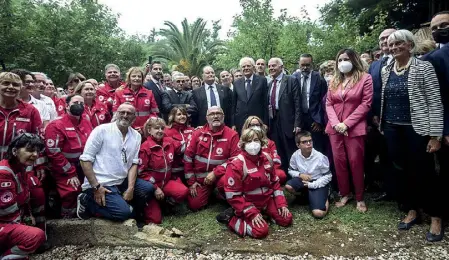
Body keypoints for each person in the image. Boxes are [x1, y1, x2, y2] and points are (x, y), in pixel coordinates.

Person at [382, 30, 444, 242]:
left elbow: (435, 102)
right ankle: (412, 211)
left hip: (417, 129)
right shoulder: (386, 69)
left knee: (425, 172)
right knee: (401, 171)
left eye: (399, 43)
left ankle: (436, 217)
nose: (394, 47)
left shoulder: (424, 67)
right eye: (391, 44)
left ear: (409, 45)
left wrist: (435, 135)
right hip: (392, 127)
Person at [77, 103, 154, 221]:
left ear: (134, 117)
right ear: (116, 114)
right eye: (122, 112)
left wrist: (131, 188)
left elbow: (134, 163)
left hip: (121, 180)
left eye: (129, 113)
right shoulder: (102, 130)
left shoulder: (136, 136)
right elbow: (85, 160)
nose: (125, 115)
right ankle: (86, 200)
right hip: (102, 182)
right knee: (122, 213)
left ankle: (131, 212)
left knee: (147, 189)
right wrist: (96, 187)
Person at [218, 128, 292, 238]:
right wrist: (251, 212)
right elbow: (233, 195)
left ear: (261, 142)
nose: (253, 144)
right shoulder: (237, 164)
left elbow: (275, 183)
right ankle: (231, 218)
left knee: (286, 219)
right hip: (248, 203)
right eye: (249, 141)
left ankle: (266, 214)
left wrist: (281, 204)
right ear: (243, 144)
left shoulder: (267, 158)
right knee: (261, 231)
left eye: (256, 140)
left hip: (267, 200)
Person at [326, 48, 373, 213]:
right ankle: (345, 194)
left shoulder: (365, 79)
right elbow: (329, 103)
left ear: (354, 60)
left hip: (354, 127)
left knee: (355, 162)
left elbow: (366, 103)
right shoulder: (334, 80)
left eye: (345, 59)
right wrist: (336, 123)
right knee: (339, 162)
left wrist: (346, 124)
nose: (342, 63)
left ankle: (359, 197)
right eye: (339, 60)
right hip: (335, 128)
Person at [0, 72, 46, 236]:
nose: (10, 87)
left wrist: (39, 163)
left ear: (21, 88)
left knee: (37, 193)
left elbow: (40, 139)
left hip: (22, 165)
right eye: (6, 83)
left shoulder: (30, 111)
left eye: (15, 85)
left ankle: (39, 231)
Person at [44, 94, 93, 218]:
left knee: (89, 190)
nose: (79, 106)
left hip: (83, 166)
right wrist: (70, 173)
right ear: (66, 106)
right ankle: (67, 220)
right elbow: (53, 153)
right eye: (76, 103)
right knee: (72, 190)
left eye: (82, 103)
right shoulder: (56, 125)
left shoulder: (86, 122)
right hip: (63, 168)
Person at [183, 106, 239, 210]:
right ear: (206, 117)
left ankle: (222, 193)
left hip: (220, 176)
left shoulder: (232, 135)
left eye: (218, 113)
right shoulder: (197, 133)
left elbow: (235, 159)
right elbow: (187, 158)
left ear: (223, 116)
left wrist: (215, 173)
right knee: (194, 205)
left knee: (226, 182)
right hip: (201, 180)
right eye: (212, 114)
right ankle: (211, 193)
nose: (215, 116)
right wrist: (191, 182)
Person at [0, 133, 46, 259]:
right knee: (36, 236)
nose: (35, 155)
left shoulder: (21, 169)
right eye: (30, 150)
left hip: (6, 223)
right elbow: (7, 212)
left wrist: (27, 216)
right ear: (15, 151)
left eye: (37, 151)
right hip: (3, 222)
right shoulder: (4, 173)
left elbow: (24, 199)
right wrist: (24, 227)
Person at [423, 10, 449, 222]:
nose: (439, 31)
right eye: (434, 29)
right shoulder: (432, 59)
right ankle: (438, 217)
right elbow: (435, 100)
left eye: (444, 25)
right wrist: (444, 130)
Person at [138, 117, 188, 224]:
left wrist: (196, 135)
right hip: (151, 187)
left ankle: (166, 204)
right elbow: (141, 173)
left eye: (162, 128)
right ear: (149, 130)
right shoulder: (145, 147)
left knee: (183, 192)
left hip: (166, 182)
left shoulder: (169, 141)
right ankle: (146, 207)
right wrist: (155, 188)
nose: (160, 131)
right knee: (155, 220)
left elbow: (183, 147)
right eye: (156, 128)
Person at [367, 28, 397, 202]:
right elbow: (370, 93)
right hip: (378, 120)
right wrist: (372, 115)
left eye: (388, 38)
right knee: (384, 156)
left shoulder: (406, 61)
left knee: (399, 157)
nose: (384, 41)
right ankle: (389, 189)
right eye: (381, 38)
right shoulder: (375, 65)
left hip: (399, 119)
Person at [267, 58, 302, 174]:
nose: (271, 68)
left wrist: (297, 123)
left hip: (288, 121)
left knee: (290, 150)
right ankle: (283, 176)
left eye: (274, 66)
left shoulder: (291, 80)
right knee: (278, 149)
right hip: (274, 120)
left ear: (281, 66)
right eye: (270, 66)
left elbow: (298, 103)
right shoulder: (270, 83)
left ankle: (295, 177)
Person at [285, 131, 331, 218]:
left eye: (310, 141)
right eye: (304, 142)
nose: (309, 143)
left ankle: (325, 195)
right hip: (304, 180)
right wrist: (300, 174)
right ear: (298, 145)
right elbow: (290, 170)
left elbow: (328, 176)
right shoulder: (295, 155)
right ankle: (307, 196)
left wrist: (312, 185)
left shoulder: (320, 157)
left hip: (318, 183)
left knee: (318, 213)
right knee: (288, 186)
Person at [293, 54, 328, 153]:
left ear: (312, 64)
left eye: (307, 65)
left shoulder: (319, 79)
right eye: (302, 65)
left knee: (316, 146)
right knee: (300, 146)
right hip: (299, 118)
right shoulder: (293, 78)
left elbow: (324, 101)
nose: (305, 67)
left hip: (314, 118)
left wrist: (319, 121)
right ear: (299, 64)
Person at [241, 116, 287, 184]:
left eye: (257, 125)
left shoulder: (270, 142)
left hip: (268, 169)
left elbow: (276, 159)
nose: (255, 127)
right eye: (252, 125)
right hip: (250, 170)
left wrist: (265, 167)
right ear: (247, 126)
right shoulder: (242, 142)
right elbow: (240, 160)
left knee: (281, 174)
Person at [113, 67, 159, 133]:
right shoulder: (119, 93)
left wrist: (144, 128)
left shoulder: (149, 93)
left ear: (142, 79)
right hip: (125, 130)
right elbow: (116, 115)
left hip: (144, 131)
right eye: (134, 76)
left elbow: (154, 114)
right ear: (129, 78)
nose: (136, 78)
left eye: (139, 76)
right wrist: (126, 128)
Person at [232, 57, 268, 134]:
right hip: (241, 122)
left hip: (258, 121)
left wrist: (265, 122)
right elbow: (234, 105)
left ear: (253, 67)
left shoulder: (262, 81)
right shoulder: (236, 83)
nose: (246, 68)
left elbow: (265, 103)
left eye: (248, 66)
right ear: (241, 69)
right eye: (243, 66)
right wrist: (233, 123)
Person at [164, 106, 195, 180]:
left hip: (191, 169)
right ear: (172, 117)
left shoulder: (192, 130)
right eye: (179, 114)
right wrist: (191, 142)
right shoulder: (166, 131)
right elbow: (177, 149)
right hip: (174, 171)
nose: (182, 116)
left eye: (184, 114)